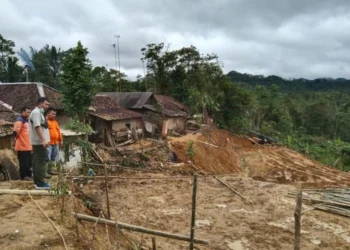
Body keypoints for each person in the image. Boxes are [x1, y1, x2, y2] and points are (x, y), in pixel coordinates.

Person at [29, 97, 51, 189]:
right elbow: (37, 126)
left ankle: (37, 181)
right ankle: (40, 183)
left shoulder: (39, 113)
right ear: (41, 103)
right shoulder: (36, 113)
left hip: (39, 141)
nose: (47, 106)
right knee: (40, 161)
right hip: (39, 142)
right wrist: (43, 140)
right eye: (46, 104)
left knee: (37, 161)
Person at [13, 106, 33, 181]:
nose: (29, 113)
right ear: (22, 112)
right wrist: (14, 140)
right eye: (27, 112)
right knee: (24, 162)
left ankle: (28, 175)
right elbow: (15, 132)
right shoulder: (19, 120)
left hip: (28, 145)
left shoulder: (27, 121)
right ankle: (24, 176)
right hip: (22, 145)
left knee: (28, 162)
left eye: (29, 112)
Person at [45, 108, 63, 175]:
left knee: (53, 157)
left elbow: (58, 131)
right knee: (47, 157)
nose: (54, 115)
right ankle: (45, 172)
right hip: (48, 143)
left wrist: (61, 140)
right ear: (48, 113)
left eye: (55, 114)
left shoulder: (55, 122)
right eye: (53, 114)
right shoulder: (45, 122)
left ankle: (51, 170)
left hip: (56, 143)